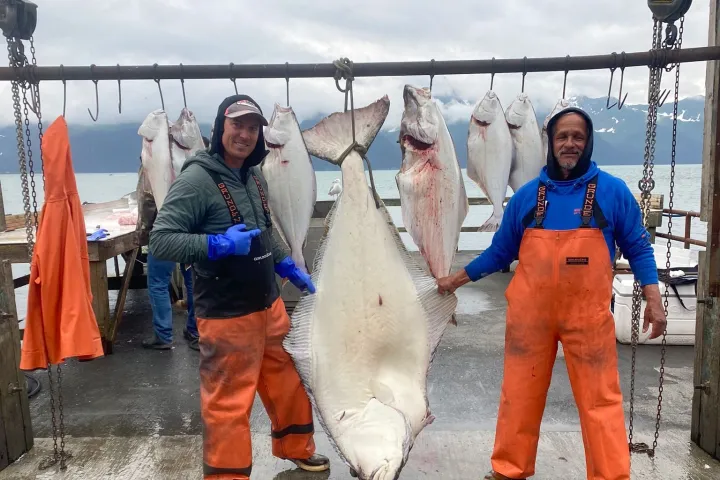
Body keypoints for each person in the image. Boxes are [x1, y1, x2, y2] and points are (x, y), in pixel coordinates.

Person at [437, 107, 667, 480]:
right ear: (551, 143)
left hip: (588, 319)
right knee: (519, 396)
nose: (570, 144)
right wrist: (456, 280)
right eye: (563, 137)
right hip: (530, 320)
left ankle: (610, 475)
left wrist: (654, 300)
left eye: (578, 137)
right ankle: (509, 469)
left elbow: (639, 248)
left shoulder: (613, 192)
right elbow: (500, 253)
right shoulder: (527, 197)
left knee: (600, 402)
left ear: (588, 142)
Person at [149, 94, 329, 479]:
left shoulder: (254, 175)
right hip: (227, 315)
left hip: (269, 306)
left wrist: (286, 262)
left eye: (252, 128)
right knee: (229, 406)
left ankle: (296, 447)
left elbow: (265, 228)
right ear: (219, 128)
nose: (244, 135)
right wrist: (215, 244)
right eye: (237, 125)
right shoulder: (196, 178)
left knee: (288, 383)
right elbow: (162, 239)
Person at [135, 159, 200, 351]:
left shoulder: (152, 164)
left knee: (158, 283)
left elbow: (148, 201)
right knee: (192, 281)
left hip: (164, 232)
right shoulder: (191, 164)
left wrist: (145, 231)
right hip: (190, 231)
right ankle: (195, 330)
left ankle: (163, 335)